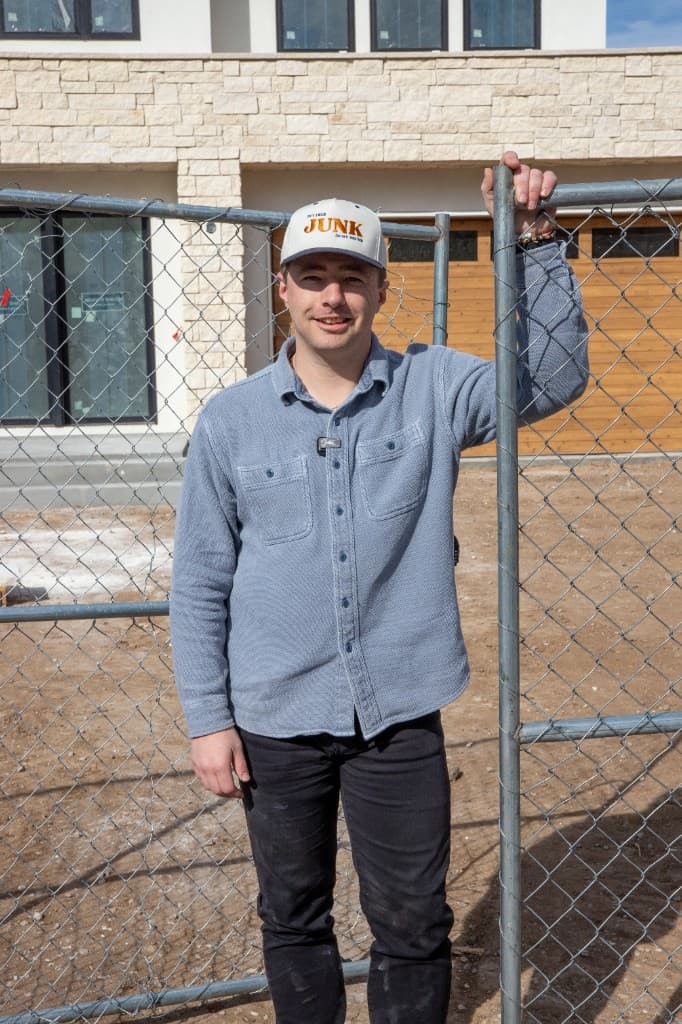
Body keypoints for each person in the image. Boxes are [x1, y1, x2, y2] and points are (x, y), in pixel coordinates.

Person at [170, 150, 589, 1024]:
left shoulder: (435, 388)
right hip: (275, 720)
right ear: (282, 289)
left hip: (397, 714)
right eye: (312, 276)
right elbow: (203, 577)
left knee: (412, 922)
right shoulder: (231, 421)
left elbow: (551, 378)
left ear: (381, 290)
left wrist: (535, 241)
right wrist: (209, 720)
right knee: (292, 916)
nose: (332, 297)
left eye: (351, 277)